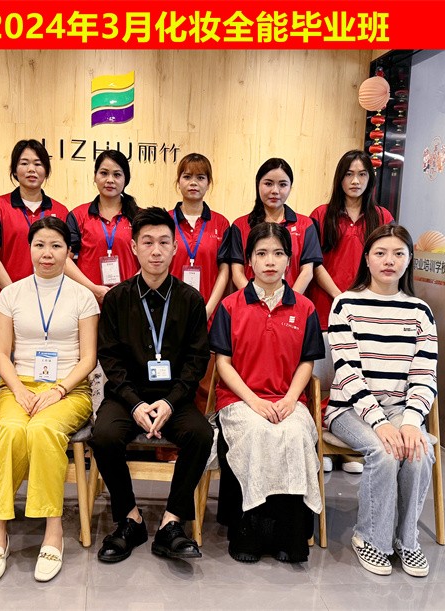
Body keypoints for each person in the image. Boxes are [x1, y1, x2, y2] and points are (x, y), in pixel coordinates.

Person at [90, 207, 213, 563]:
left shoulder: (191, 300)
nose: (156, 251)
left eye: (163, 242)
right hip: (126, 397)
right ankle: (130, 519)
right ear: (134, 247)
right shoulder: (117, 299)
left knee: (201, 434)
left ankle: (172, 522)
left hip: (174, 397)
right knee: (104, 436)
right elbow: (110, 359)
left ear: (175, 248)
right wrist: (135, 404)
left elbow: (196, 361)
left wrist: (171, 402)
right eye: (147, 242)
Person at [0, 217, 98, 583]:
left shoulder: (82, 296)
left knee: (43, 430)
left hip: (69, 389)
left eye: (56, 246)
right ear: (29, 248)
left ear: (69, 252)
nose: (47, 253)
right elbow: (1, 353)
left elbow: (88, 358)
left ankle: (53, 529)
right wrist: (18, 389)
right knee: (10, 430)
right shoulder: (11, 294)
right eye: (39, 245)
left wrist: (58, 390)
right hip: (18, 386)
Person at [324, 224, 438, 578]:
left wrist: (411, 423)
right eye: (381, 253)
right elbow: (347, 372)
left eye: (398, 254)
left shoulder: (420, 311)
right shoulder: (345, 304)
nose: (389, 261)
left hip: (401, 409)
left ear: (409, 260)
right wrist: (380, 423)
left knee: (419, 451)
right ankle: (371, 538)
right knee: (385, 451)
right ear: (367, 259)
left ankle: (407, 541)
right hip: (349, 409)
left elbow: (425, 375)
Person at [209, 222, 324, 564]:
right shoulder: (231, 306)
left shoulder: (305, 308)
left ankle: (290, 536)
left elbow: (307, 362)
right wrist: (254, 401)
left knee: (294, 434)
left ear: (289, 260)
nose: (270, 261)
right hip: (240, 400)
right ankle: (249, 534)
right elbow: (223, 364)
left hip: (288, 399)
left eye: (278, 253)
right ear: (249, 261)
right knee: (257, 432)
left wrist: (289, 399)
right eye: (261, 254)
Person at [308, 150, 394, 474]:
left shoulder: (382, 216)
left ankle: (350, 449)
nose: (355, 181)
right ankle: (322, 444)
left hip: (367, 315)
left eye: (361, 174)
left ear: (370, 178)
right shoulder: (321, 214)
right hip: (325, 310)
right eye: (349, 174)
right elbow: (313, 263)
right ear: (339, 178)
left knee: (357, 381)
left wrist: (360, 301)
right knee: (323, 380)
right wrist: (340, 297)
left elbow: (387, 261)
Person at [0, 139, 68, 302]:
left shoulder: (60, 211)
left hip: (51, 300)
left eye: (38, 164)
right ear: (14, 170)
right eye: (24, 163)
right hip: (8, 299)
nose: (31, 169)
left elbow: (65, 259)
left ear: (46, 170)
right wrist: (14, 295)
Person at [227, 158, 322, 294]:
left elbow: (307, 272)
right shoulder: (240, 225)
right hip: (250, 302)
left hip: (292, 302)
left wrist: (289, 301)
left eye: (282, 185)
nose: (275, 191)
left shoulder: (306, 225)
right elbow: (237, 273)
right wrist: (255, 300)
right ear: (258, 185)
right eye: (268, 184)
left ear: (290, 188)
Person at [65, 150, 140, 303]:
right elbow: (64, 260)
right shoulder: (78, 215)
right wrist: (93, 289)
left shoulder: (140, 216)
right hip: (88, 300)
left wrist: (127, 289)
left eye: (117, 175)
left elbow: (150, 259)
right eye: (104, 173)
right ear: (95, 176)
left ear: (126, 179)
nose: (110, 180)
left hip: (130, 300)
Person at [168, 153, 230, 322]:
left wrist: (208, 310)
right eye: (187, 176)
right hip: (170, 311)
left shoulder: (221, 223)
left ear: (208, 183)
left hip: (209, 312)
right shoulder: (165, 221)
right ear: (178, 181)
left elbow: (224, 271)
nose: (193, 183)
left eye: (200, 177)